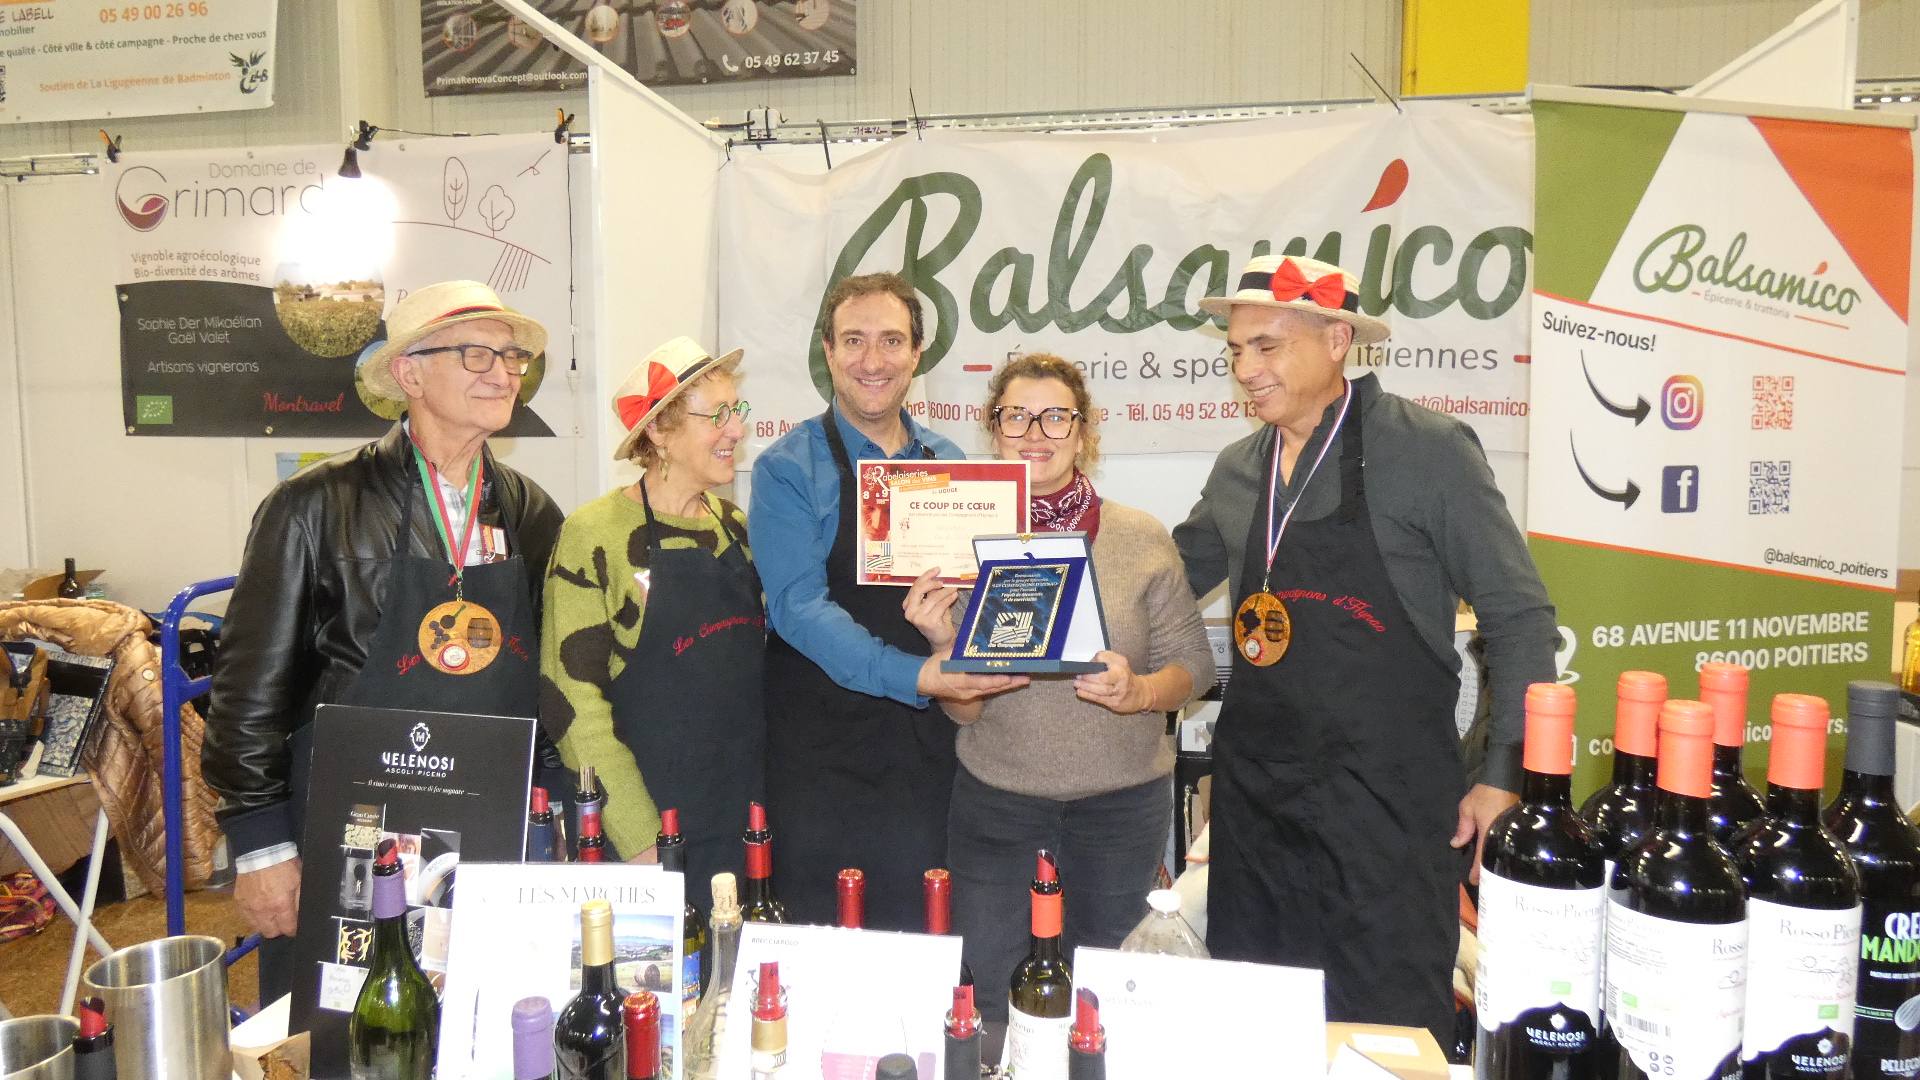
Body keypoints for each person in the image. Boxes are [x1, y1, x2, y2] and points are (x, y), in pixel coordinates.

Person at [1172, 255, 1558, 1042]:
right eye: (1237, 349)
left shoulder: (1429, 451)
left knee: (1388, 1031)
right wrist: (1036, 578)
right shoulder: (1238, 470)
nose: (1246, 368)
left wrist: (1503, 775)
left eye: (1268, 346)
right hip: (1259, 811)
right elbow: (1159, 581)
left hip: (1388, 809)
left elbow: (1520, 619)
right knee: (1258, 1029)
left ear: (1338, 339)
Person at [204, 280, 564, 1005]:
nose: (503, 373)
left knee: (480, 1015)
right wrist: (260, 842)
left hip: (489, 817)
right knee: (344, 1021)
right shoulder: (314, 505)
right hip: (353, 824)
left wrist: (551, 805)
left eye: (512, 356)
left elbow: (549, 681)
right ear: (410, 374)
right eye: (477, 353)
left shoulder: (529, 510)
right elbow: (247, 691)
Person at [902, 353, 1215, 1024]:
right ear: (994, 429)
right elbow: (964, 712)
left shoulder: (1139, 536)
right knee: (989, 997)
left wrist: (1140, 692)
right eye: (1016, 416)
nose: (1035, 432)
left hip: (1121, 810)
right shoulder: (961, 537)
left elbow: (1194, 666)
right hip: (998, 805)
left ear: (1083, 432)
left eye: (1055, 417)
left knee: (1105, 1001)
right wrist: (940, 647)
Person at [749, 272, 1025, 930]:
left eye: (891, 341)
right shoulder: (787, 468)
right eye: (854, 340)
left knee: (926, 936)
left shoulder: (952, 463)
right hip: (820, 756)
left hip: (926, 757)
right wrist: (918, 674)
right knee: (824, 946)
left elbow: (974, 605)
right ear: (828, 351)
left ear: (917, 353)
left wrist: (957, 643)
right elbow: (798, 609)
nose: (872, 360)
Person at [540, 337, 762, 902]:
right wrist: (639, 837)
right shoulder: (595, 534)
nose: (737, 429)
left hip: (744, 815)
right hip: (649, 827)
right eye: (717, 415)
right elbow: (571, 702)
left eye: (737, 410)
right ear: (660, 430)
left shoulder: (734, 526)